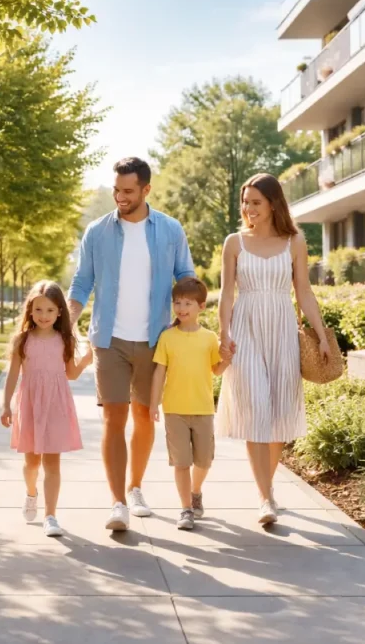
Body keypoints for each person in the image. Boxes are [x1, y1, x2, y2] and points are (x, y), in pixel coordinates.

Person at [68, 156, 197, 531]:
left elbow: (185, 276)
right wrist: (67, 322)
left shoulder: (170, 230)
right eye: (116, 190)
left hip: (155, 339)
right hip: (109, 339)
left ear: (145, 190)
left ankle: (136, 486)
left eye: (128, 191)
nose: (120, 197)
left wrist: (189, 321)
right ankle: (117, 502)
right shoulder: (97, 231)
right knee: (113, 417)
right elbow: (81, 283)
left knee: (144, 417)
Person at [216, 173, 330, 526]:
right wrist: (224, 332)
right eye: (245, 202)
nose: (248, 208)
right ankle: (265, 497)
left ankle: (268, 490)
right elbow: (226, 293)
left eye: (255, 202)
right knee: (255, 408)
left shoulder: (294, 241)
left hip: (282, 329)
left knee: (279, 413)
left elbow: (304, 291)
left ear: (273, 204)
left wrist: (321, 334)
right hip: (246, 329)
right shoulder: (234, 242)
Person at [1, 281, 93, 537]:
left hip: (56, 405)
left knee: (53, 463)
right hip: (30, 404)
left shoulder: (64, 340)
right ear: (30, 310)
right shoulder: (23, 340)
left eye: (50, 310)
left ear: (60, 312)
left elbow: (71, 374)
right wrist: (6, 405)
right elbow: (12, 375)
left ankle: (50, 515)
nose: (44, 316)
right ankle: (31, 493)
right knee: (32, 463)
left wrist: (85, 361)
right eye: (39, 310)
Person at [149, 277, 230, 530]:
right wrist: (154, 404)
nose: (181, 308)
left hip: (203, 409)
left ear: (201, 307)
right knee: (181, 463)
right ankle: (185, 509)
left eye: (187, 303)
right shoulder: (167, 337)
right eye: (177, 302)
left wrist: (227, 359)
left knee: (204, 461)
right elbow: (159, 373)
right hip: (174, 410)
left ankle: (195, 492)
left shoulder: (208, 338)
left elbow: (216, 370)